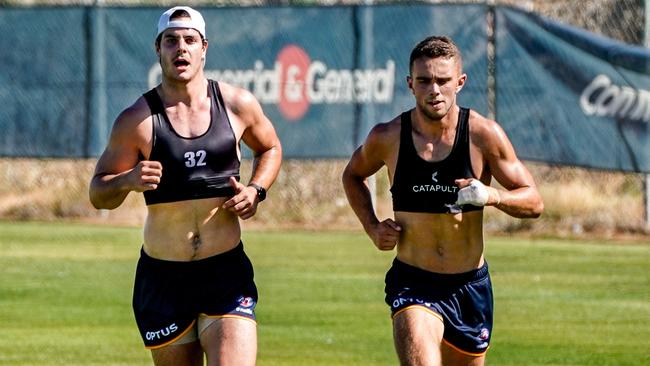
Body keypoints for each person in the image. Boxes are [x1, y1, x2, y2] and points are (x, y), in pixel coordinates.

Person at [89, 6, 282, 366]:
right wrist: (129, 180)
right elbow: (98, 190)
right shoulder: (138, 120)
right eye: (171, 41)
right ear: (158, 49)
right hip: (164, 279)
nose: (181, 48)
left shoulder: (236, 104)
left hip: (225, 273)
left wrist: (256, 190)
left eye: (190, 40)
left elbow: (270, 146)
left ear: (204, 47)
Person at [342, 35, 543, 366]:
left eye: (442, 80)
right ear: (410, 84)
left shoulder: (483, 135)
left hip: (469, 287)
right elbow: (352, 175)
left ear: (460, 82)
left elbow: (534, 202)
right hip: (413, 282)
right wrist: (372, 226)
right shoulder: (388, 137)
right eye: (424, 81)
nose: (433, 89)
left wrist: (492, 195)